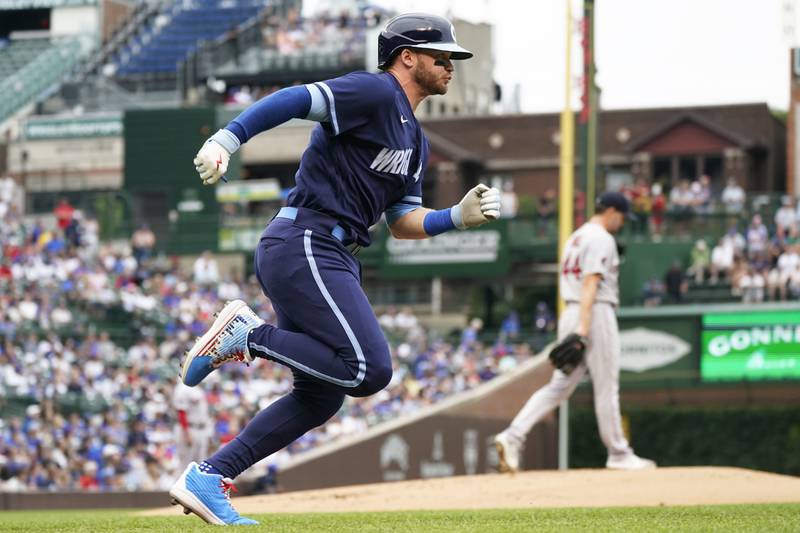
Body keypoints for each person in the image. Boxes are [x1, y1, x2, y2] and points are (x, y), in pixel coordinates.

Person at [170, 13, 500, 526]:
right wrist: (228, 138)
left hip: (330, 251)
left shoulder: (417, 139)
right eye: (442, 55)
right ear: (407, 56)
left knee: (321, 396)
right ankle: (248, 335)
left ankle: (209, 476)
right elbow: (296, 99)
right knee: (368, 369)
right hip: (307, 238)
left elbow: (403, 222)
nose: (450, 65)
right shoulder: (375, 92)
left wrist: (455, 217)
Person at [493, 193, 655, 473]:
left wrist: (577, 324)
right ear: (613, 212)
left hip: (571, 311)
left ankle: (513, 436)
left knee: (558, 388)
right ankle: (618, 453)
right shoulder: (602, 238)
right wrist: (584, 327)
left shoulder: (575, 237)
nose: (622, 224)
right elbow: (591, 282)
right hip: (593, 314)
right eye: (622, 217)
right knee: (607, 386)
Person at [172, 380, 212, 470]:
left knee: (200, 465)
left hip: (202, 429)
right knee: (185, 465)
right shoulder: (182, 387)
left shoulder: (197, 387)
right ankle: (182, 484)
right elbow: (181, 412)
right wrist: (186, 433)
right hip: (190, 429)